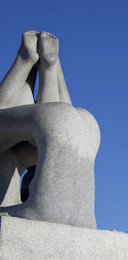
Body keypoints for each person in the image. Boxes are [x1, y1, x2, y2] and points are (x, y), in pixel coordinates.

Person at [0, 31, 100, 228]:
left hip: (64, 126)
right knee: (59, 116)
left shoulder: (40, 206)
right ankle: (49, 66)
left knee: (57, 116)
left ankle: (32, 63)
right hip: (71, 126)